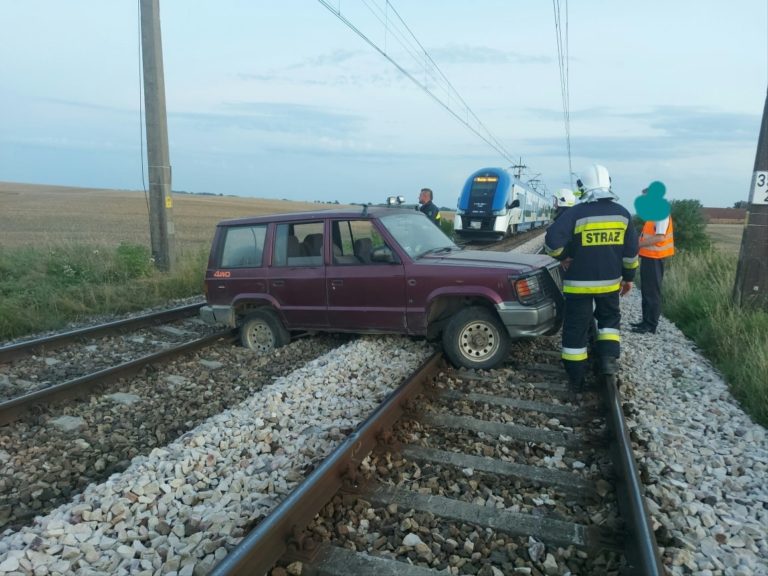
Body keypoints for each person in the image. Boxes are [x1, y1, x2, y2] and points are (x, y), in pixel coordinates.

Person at [544, 164, 639, 391]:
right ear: (608, 183)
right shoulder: (622, 214)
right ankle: (608, 363)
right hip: (609, 284)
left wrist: (564, 257)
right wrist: (628, 278)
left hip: (578, 285)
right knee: (609, 322)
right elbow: (631, 253)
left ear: (583, 186)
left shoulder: (576, 213)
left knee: (576, 328)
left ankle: (576, 377)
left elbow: (552, 242)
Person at [632, 185, 675, 334]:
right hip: (649, 257)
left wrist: (636, 245)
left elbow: (659, 238)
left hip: (655, 258)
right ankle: (645, 321)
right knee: (647, 290)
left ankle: (650, 325)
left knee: (652, 292)